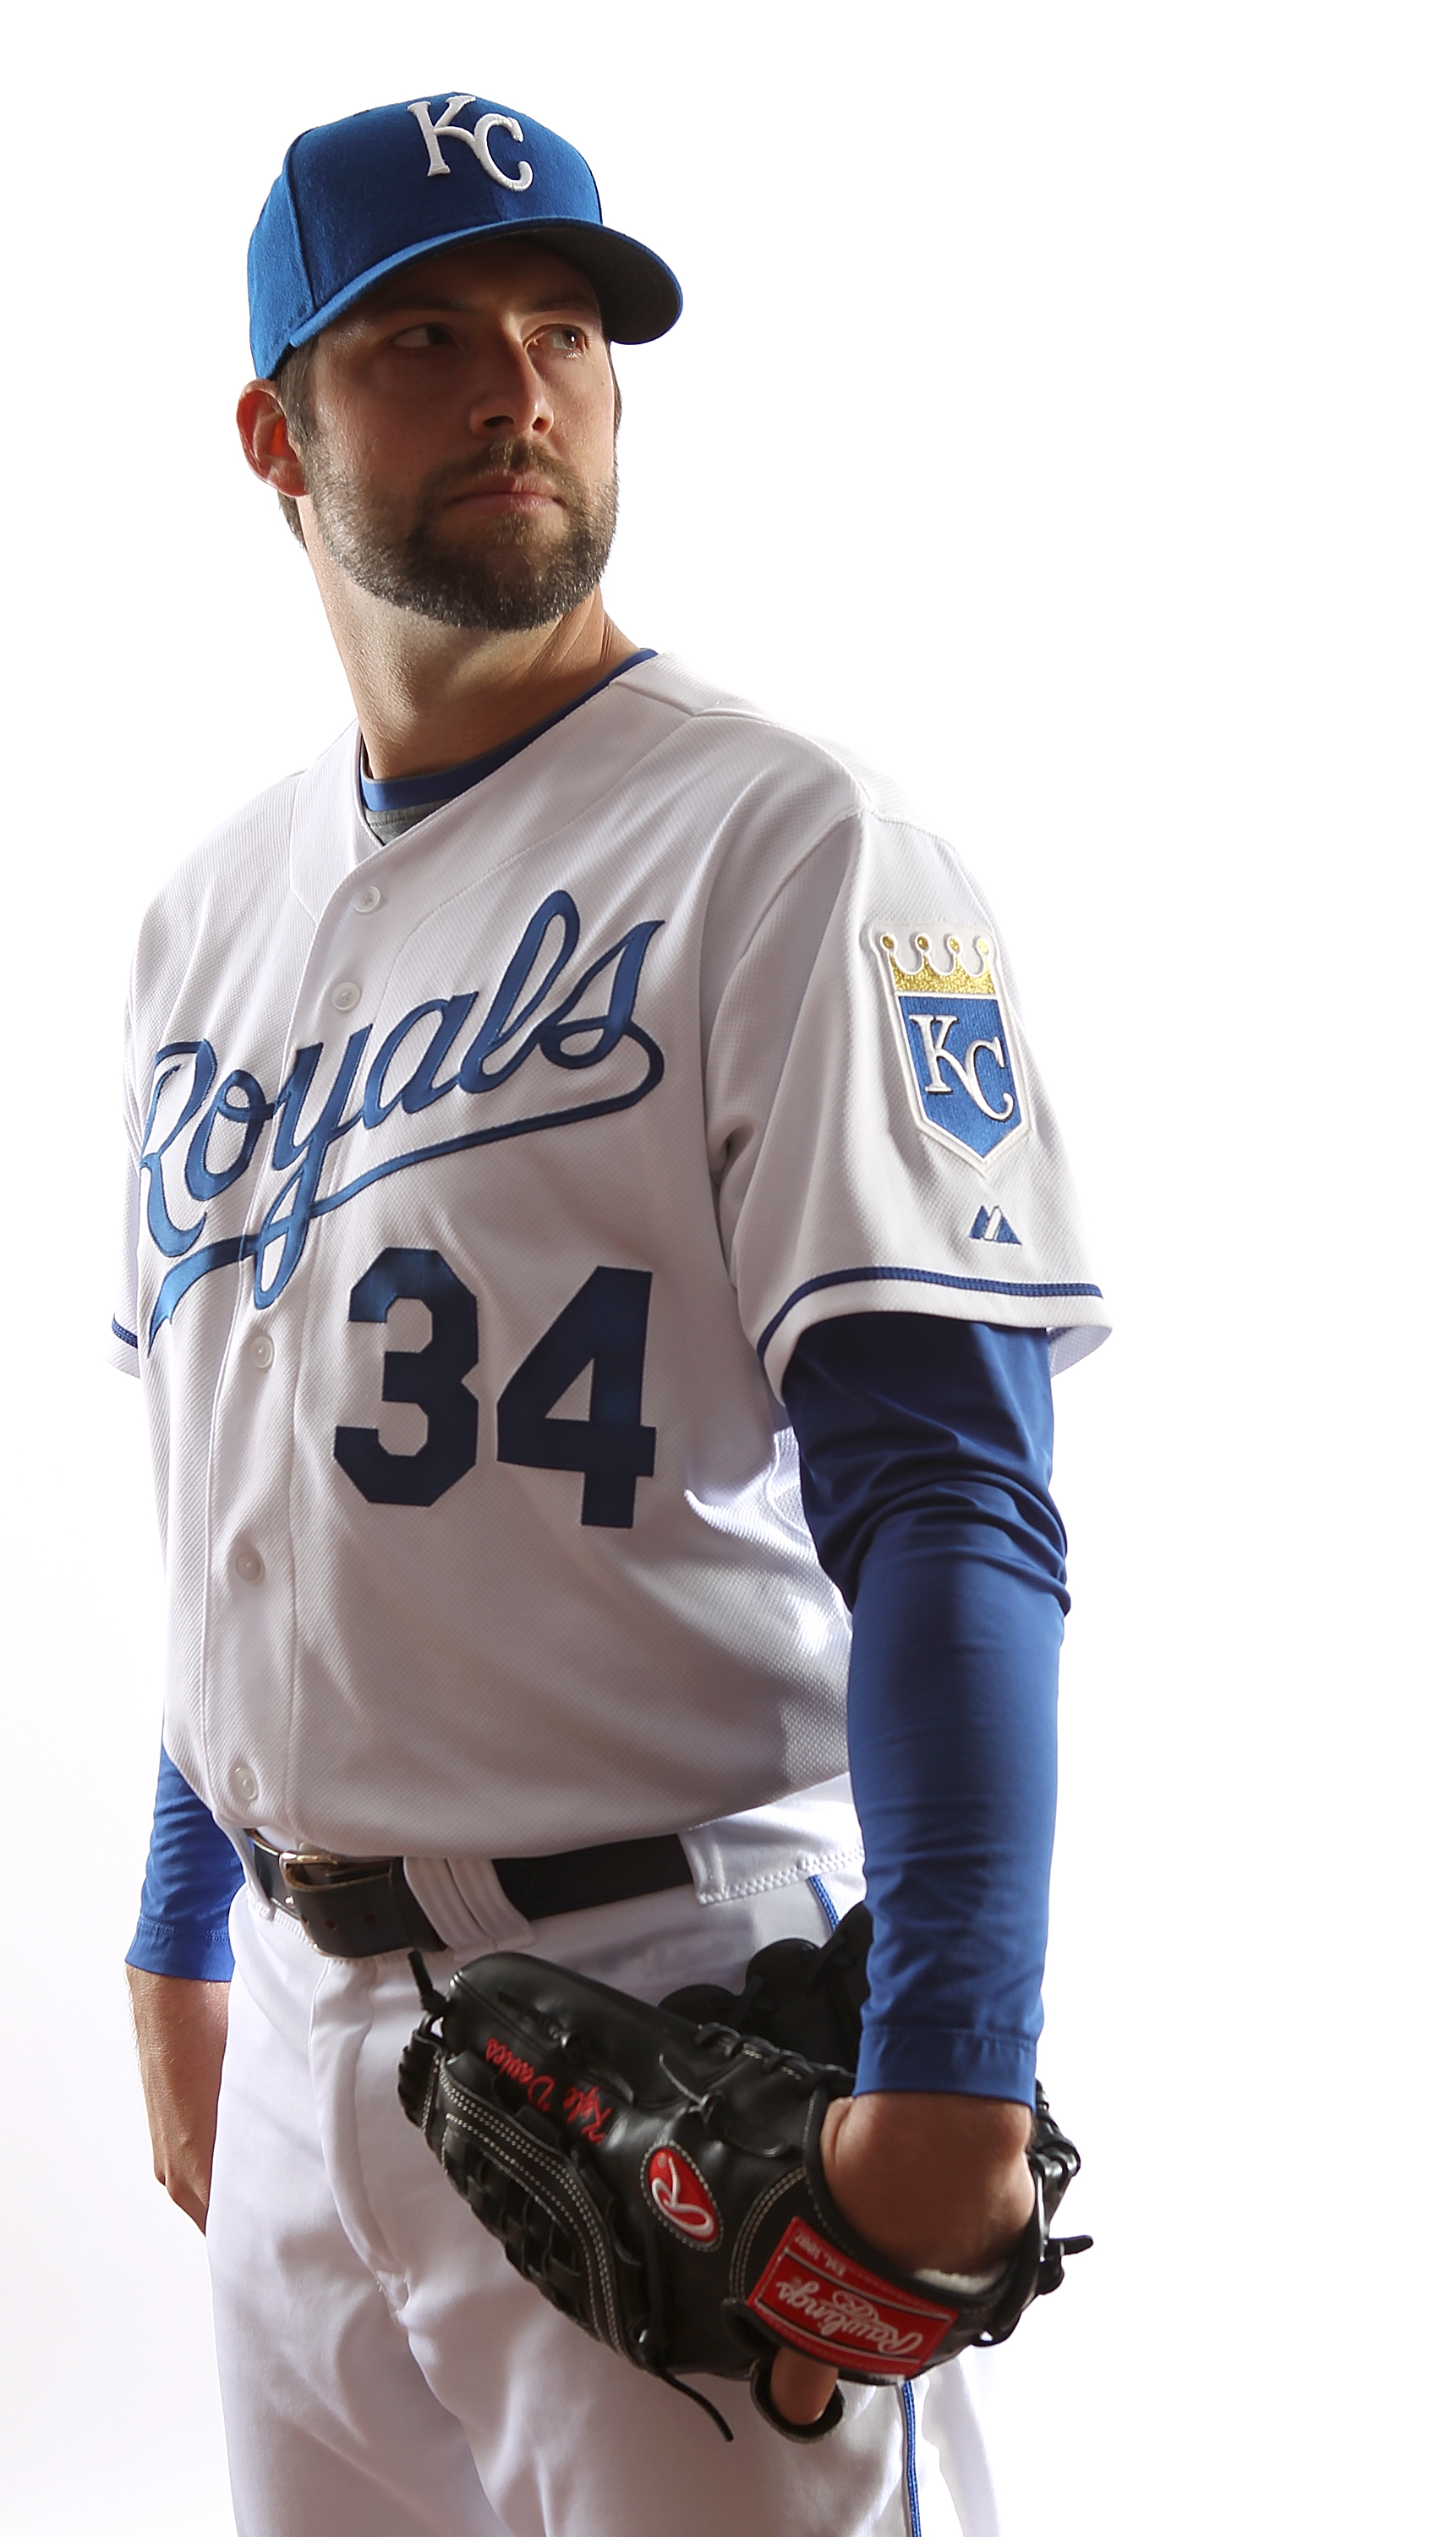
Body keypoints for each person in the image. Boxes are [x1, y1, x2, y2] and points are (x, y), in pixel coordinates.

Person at [112, 91, 1108, 2537]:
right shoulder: (204, 919)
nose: (516, 388)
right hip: (305, 2035)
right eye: (425, 337)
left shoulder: (786, 841)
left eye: (564, 331)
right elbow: (256, 1479)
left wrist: (952, 2054)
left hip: (659, 2008)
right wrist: (173, 1910)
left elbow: (947, 1495)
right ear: (276, 429)